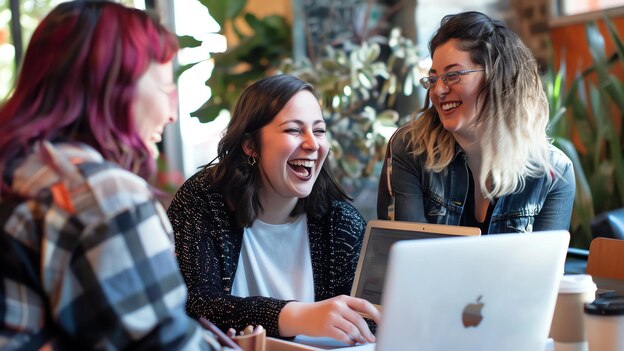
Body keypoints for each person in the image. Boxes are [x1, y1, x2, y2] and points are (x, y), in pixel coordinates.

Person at [0, 2, 226, 350]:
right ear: (114, 88)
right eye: (165, 88)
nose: (170, 113)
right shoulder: (97, 193)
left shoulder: (21, 171)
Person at [167, 74, 381, 344]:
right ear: (250, 145)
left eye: (319, 130)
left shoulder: (340, 222)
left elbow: (370, 320)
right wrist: (299, 315)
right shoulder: (203, 200)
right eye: (294, 130)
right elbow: (194, 304)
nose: (313, 144)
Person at [377, 11, 575, 234]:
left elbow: (544, 267)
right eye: (433, 79)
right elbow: (405, 257)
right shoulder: (410, 150)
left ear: (497, 77)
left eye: (453, 75)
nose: (438, 90)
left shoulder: (554, 173)